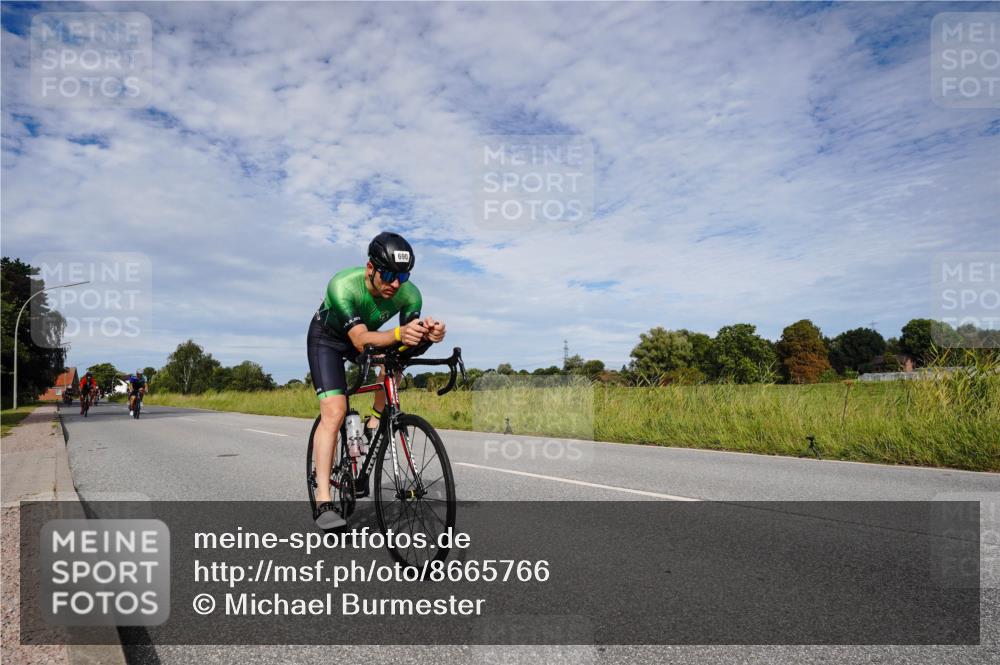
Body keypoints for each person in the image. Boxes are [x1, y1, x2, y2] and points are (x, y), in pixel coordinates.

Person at [307, 232, 447, 528]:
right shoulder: (343, 285)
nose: (396, 284)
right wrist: (398, 334)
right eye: (388, 275)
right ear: (370, 268)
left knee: (395, 360)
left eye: (403, 275)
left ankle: (374, 420)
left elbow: (404, 345)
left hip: (372, 339)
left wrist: (428, 336)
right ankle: (323, 499)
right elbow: (359, 341)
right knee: (334, 411)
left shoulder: (410, 294)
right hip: (329, 341)